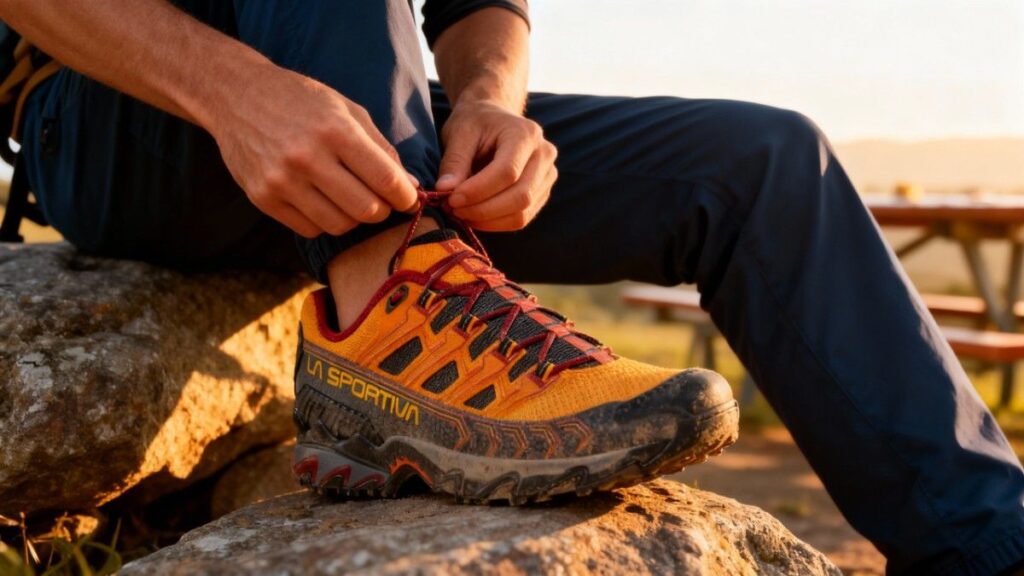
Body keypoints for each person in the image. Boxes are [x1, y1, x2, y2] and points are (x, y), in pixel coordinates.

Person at [2, 1, 1022, 573]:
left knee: (761, 163)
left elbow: (475, 5)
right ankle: (391, 339)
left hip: (360, 118)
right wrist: (238, 96)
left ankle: (985, 547)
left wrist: (490, 106)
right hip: (118, 116)